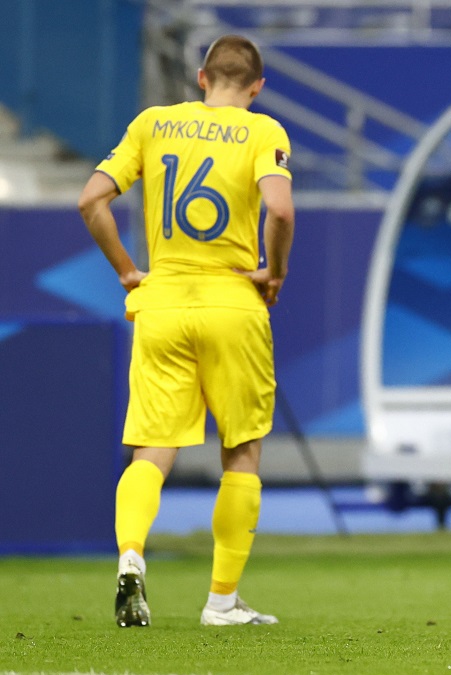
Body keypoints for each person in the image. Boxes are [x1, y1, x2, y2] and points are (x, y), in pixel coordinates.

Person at [78, 34, 295, 627]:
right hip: (233, 302)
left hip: (162, 302)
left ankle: (129, 559)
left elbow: (91, 199)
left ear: (201, 78)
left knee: (151, 449)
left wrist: (127, 270)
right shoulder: (263, 132)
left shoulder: (153, 123)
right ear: (256, 86)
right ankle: (221, 602)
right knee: (242, 450)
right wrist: (273, 274)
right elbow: (279, 210)